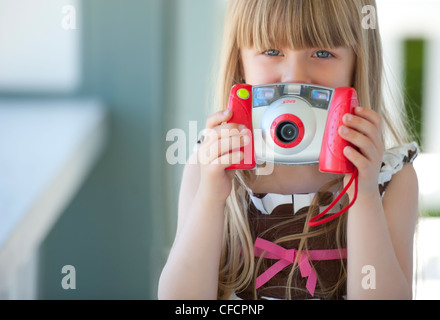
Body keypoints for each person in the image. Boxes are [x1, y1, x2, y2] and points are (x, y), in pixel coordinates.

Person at [158, 0, 419, 300]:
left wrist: (365, 196)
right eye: (271, 52)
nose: (295, 77)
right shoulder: (211, 166)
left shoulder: (392, 179)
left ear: (357, 63)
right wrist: (210, 197)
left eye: (323, 53)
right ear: (240, 62)